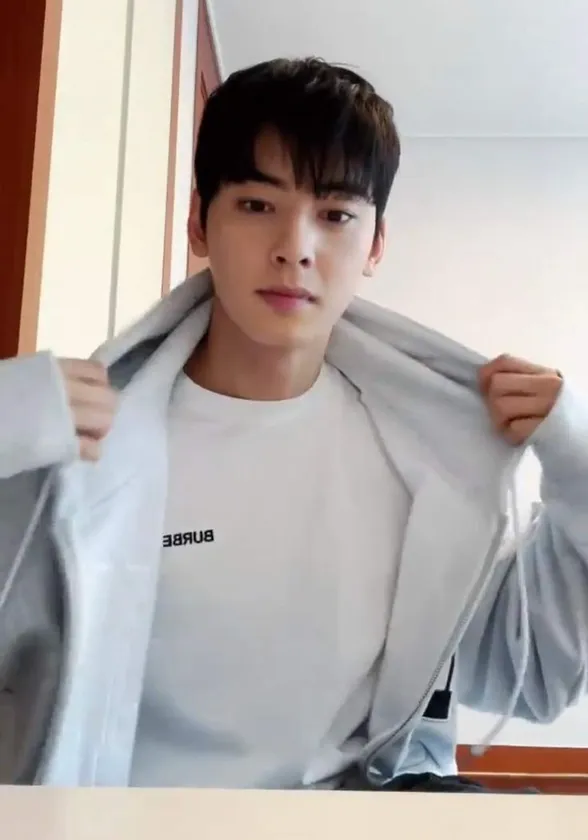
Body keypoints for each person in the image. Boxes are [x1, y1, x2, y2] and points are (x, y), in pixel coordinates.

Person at [0, 57, 587, 790]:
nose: (295, 248)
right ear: (199, 221)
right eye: (256, 204)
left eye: (335, 215)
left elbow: (535, 678)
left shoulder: (427, 458)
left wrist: (579, 469)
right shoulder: (79, 442)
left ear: (375, 245)